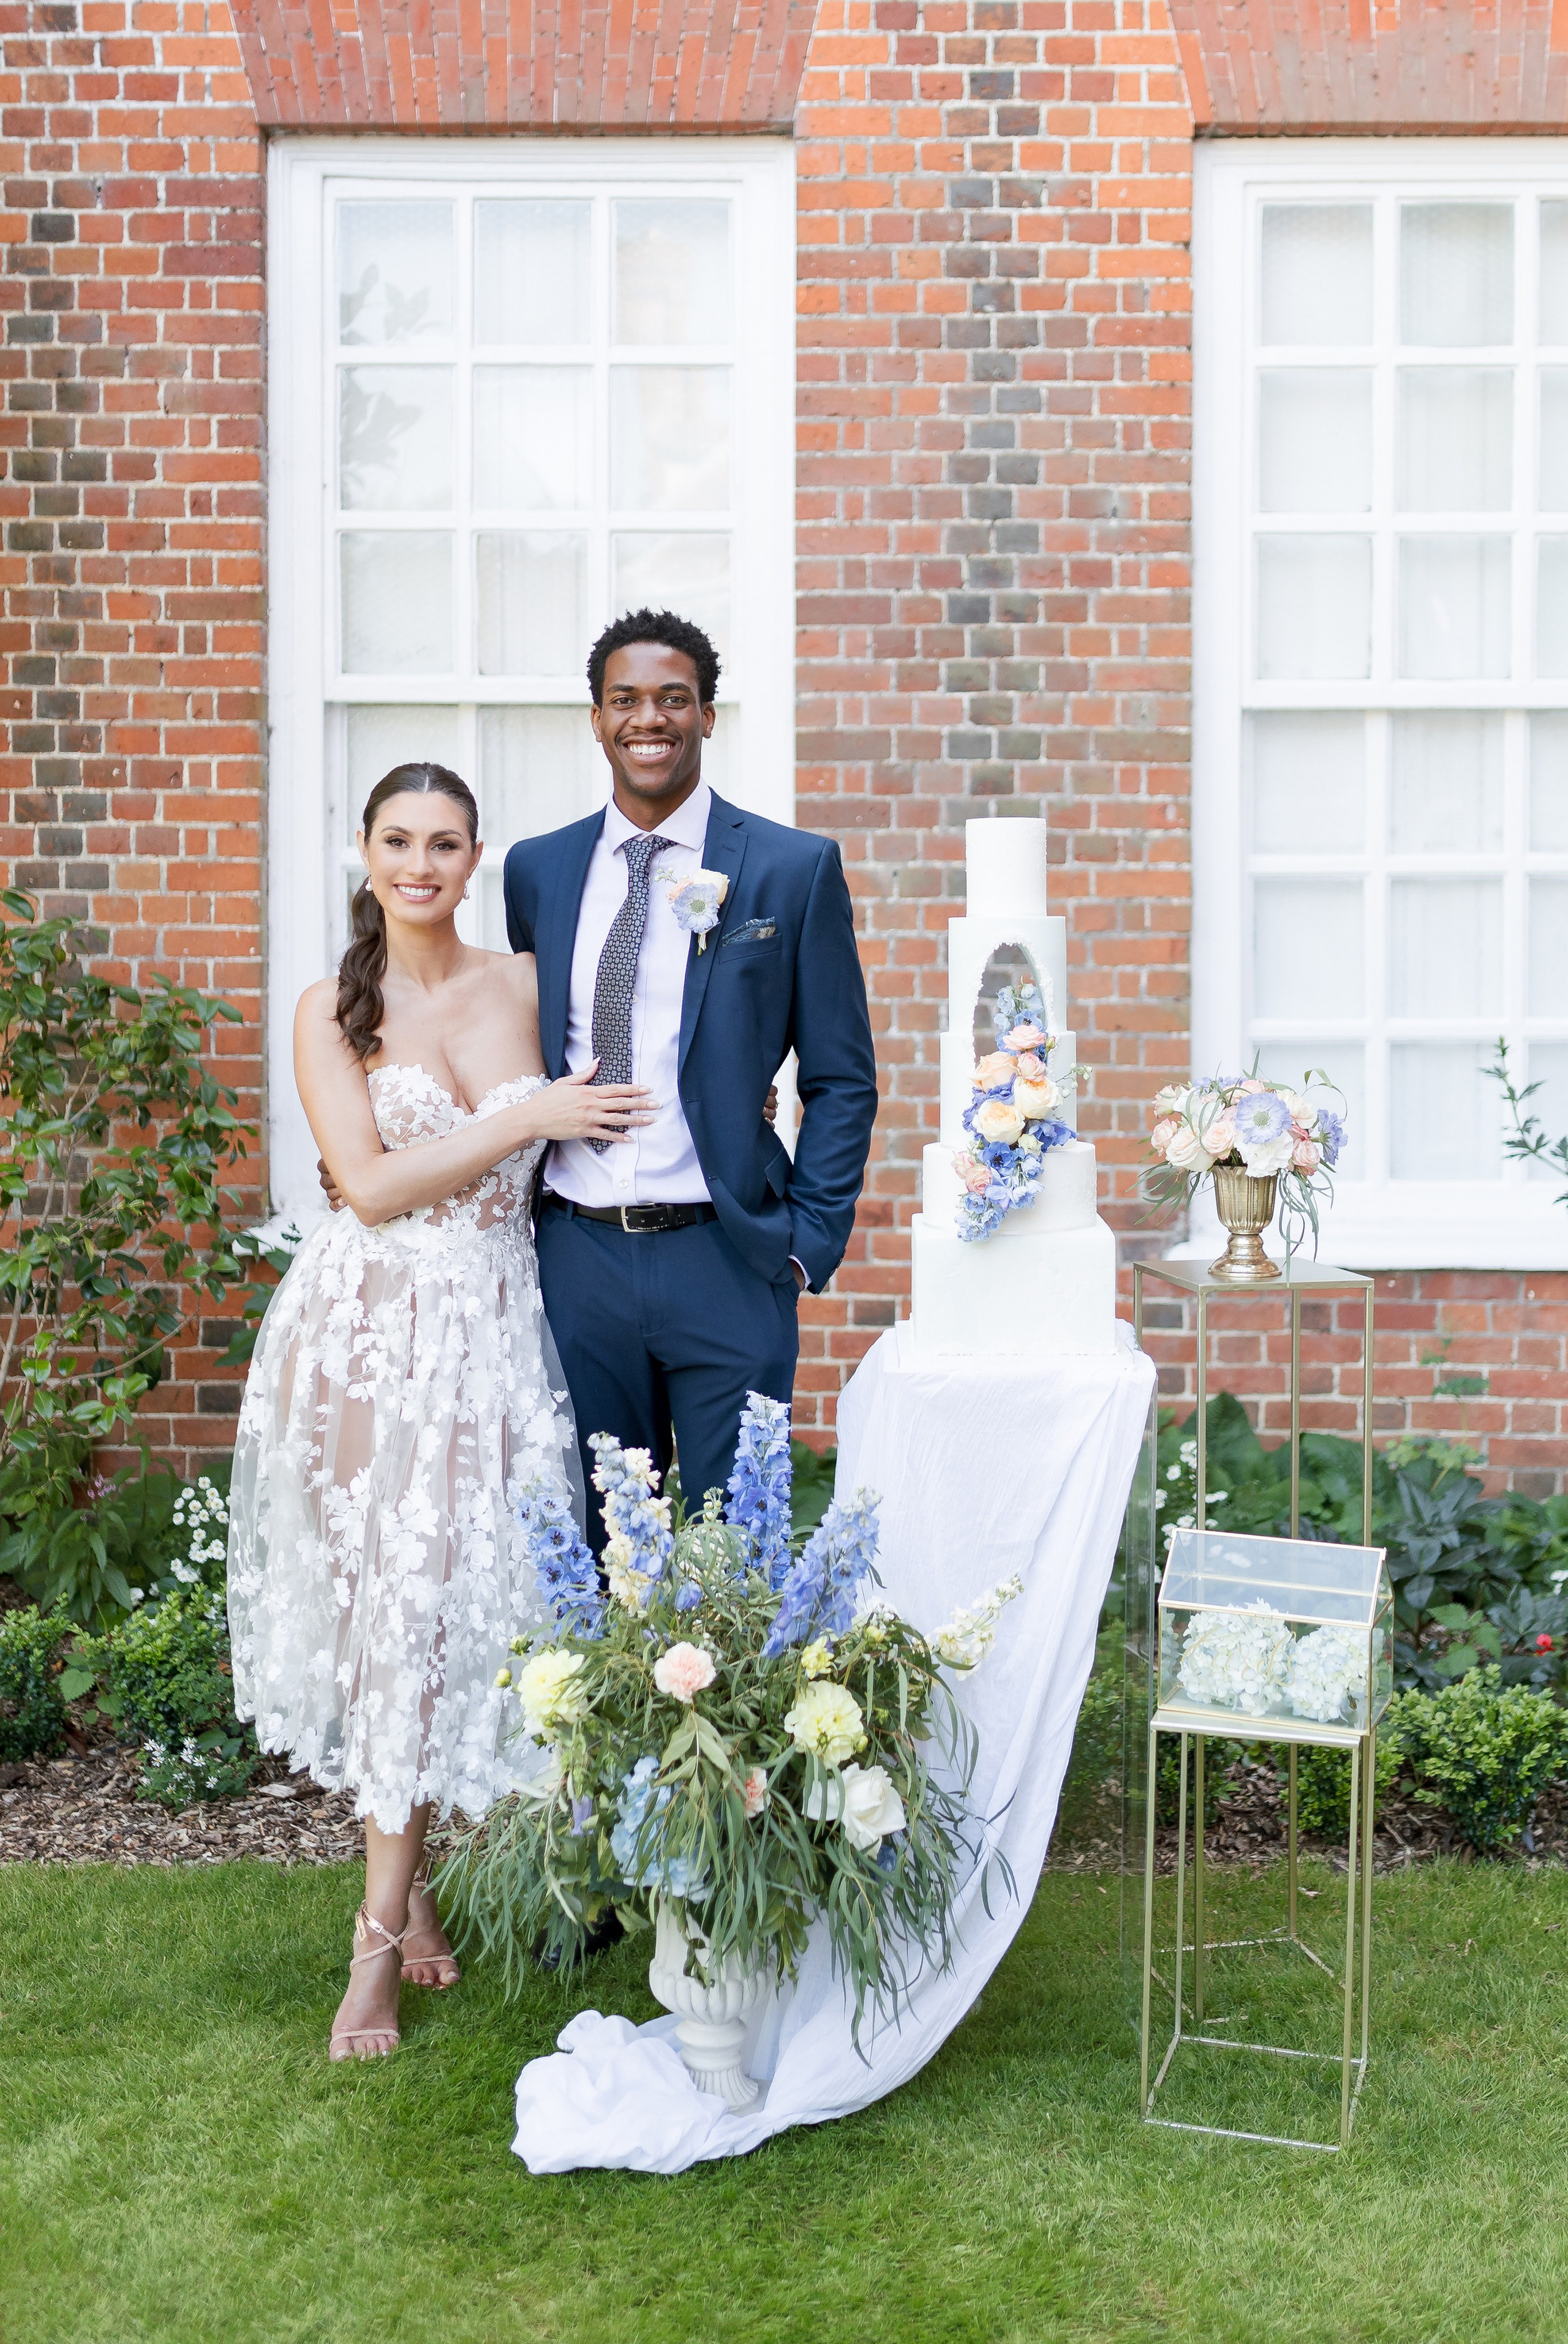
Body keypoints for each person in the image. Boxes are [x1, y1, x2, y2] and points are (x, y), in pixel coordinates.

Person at [227, 763, 652, 2060]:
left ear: (476, 863)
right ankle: (374, 1945)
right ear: (365, 854)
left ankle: (411, 1881)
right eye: (399, 841)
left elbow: (627, 1085)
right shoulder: (328, 1010)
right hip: (367, 1329)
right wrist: (527, 1113)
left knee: (471, 1607)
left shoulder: (525, 984)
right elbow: (363, 1183)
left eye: (446, 844)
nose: (421, 863)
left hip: (496, 1326)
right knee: (388, 1609)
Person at [505, 607, 879, 1550]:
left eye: (674, 699)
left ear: (708, 716)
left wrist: (808, 1241)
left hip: (729, 1257)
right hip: (577, 1258)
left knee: (733, 1555)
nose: (650, 719)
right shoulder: (538, 871)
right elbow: (508, 1047)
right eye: (625, 700)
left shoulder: (792, 870)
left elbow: (842, 1077)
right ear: (596, 720)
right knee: (599, 1557)